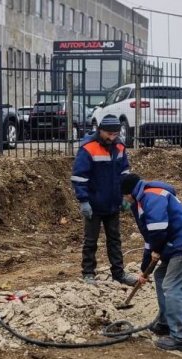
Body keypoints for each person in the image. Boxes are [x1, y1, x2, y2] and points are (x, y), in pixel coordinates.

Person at [121, 173, 182, 353]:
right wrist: (144, 271)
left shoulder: (151, 198)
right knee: (160, 275)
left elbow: (158, 232)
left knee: (172, 286)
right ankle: (166, 323)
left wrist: (157, 250)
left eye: (122, 197)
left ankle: (181, 338)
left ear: (128, 194)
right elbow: (149, 239)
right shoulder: (140, 200)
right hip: (176, 242)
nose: (123, 202)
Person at [71, 114, 137, 286]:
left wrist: (126, 195)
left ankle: (119, 273)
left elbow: (124, 173)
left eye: (115, 134)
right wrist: (83, 200)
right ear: (100, 130)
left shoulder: (120, 147)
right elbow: (79, 177)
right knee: (90, 241)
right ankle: (88, 273)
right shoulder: (88, 148)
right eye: (109, 134)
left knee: (115, 239)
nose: (112, 137)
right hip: (93, 204)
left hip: (113, 203)